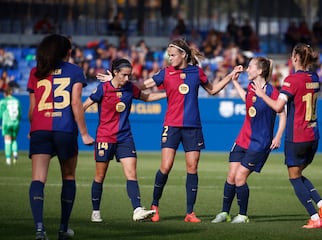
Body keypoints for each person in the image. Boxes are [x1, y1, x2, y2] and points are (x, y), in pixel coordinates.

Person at [97, 39, 241, 223]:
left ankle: (190, 213)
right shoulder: (165, 73)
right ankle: (155, 206)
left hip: (193, 126)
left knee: (192, 168)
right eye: (169, 55)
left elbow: (212, 90)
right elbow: (141, 86)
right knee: (165, 166)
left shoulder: (196, 72)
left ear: (183, 55)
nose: (169, 58)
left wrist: (230, 76)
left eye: (172, 55)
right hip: (171, 126)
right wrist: (115, 80)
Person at [252, 43, 322, 229]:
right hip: (313, 135)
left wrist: (263, 95)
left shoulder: (292, 80)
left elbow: (279, 107)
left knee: (294, 177)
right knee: (298, 173)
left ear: (295, 57)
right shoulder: (315, 77)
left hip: (297, 136)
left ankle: (314, 217)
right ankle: (321, 204)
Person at [27, 34, 94, 240]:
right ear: (67, 52)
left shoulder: (36, 71)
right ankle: (63, 228)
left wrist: (33, 129)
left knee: (38, 179)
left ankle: (40, 229)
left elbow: (32, 110)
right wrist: (84, 133)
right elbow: (76, 104)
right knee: (68, 177)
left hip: (40, 129)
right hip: (65, 130)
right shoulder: (74, 71)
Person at [83, 58, 166, 223]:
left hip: (125, 137)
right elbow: (83, 106)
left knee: (131, 174)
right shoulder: (103, 88)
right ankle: (96, 211)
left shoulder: (129, 88)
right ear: (115, 73)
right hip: (105, 137)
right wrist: (80, 130)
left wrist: (168, 93)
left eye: (129, 75)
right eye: (124, 75)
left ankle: (137, 209)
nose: (127, 79)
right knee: (100, 176)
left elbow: (146, 97)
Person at [211, 57, 286, 224]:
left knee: (239, 178)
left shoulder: (272, 91)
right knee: (231, 176)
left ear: (259, 71)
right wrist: (235, 82)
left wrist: (278, 135)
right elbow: (247, 98)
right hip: (242, 139)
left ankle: (243, 215)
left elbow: (282, 113)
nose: (247, 69)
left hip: (259, 143)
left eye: (250, 66)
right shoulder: (251, 87)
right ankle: (224, 212)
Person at [0, 86, 22, 165]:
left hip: (7, 123)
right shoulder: (17, 101)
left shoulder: (3, 101)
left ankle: (8, 159)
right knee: (14, 139)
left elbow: (0, 113)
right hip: (15, 122)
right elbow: (20, 113)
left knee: (7, 140)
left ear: (5, 93)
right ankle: (15, 154)